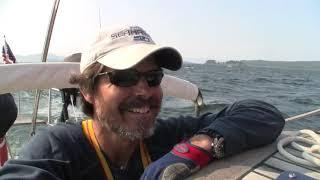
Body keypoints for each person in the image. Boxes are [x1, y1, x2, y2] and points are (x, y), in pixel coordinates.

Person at [0, 25, 285, 179]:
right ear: (88, 91)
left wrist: (194, 149)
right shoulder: (56, 149)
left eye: (153, 77)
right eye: (124, 77)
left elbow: (263, 114)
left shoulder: (165, 137)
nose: (144, 91)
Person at [59, 53, 81, 122]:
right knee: (66, 101)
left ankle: (63, 120)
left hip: (66, 84)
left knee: (66, 101)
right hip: (69, 85)